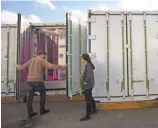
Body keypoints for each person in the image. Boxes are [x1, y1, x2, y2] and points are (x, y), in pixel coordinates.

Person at [16, 51, 67, 118]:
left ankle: (30, 113)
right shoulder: (42, 61)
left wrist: (16, 65)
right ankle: (42, 110)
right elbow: (52, 66)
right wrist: (62, 66)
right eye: (44, 55)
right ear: (42, 54)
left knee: (30, 97)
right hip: (38, 81)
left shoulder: (31, 60)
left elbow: (22, 67)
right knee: (43, 94)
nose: (45, 57)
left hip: (30, 81)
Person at [80, 53, 97, 122]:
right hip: (89, 85)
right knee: (90, 97)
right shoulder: (88, 65)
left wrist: (85, 82)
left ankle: (88, 115)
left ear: (84, 59)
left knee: (88, 99)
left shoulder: (88, 66)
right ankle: (94, 109)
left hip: (88, 85)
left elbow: (89, 76)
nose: (81, 60)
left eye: (82, 58)